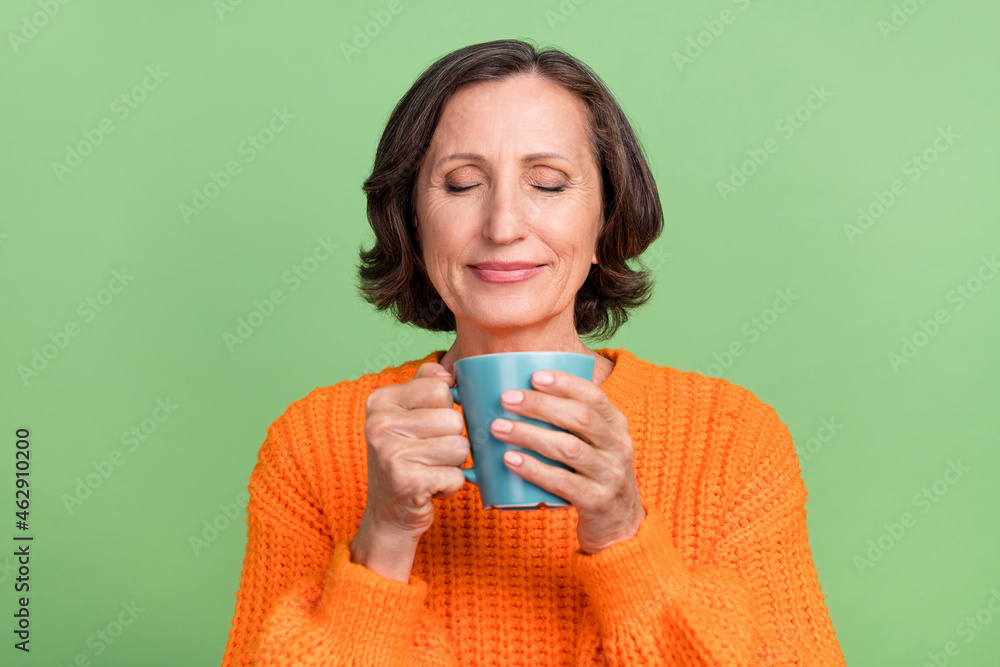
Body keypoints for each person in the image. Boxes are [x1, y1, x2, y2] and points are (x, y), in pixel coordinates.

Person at [221, 39, 846, 666]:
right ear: (412, 221)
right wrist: (382, 540)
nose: (502, 225)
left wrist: (624, 534)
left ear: (605, 222)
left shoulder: (731, 439)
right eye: (462, 184)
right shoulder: (311, 446)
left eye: (547, 183)